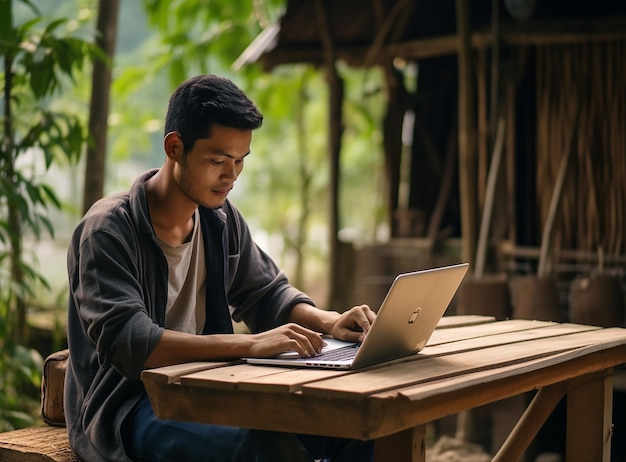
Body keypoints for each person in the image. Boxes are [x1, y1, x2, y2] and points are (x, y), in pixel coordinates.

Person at [64, 74, 376, 462]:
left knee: (358, 432)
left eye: (240, 161)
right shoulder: (107, 230)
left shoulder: (219, 218)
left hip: (211, 387)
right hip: (131, 405)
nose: (230, 177)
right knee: (258, 449)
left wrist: (328, 322)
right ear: (174, 147)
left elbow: (265, 292)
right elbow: (131, 342)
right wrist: (250, 344)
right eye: (217, 161)